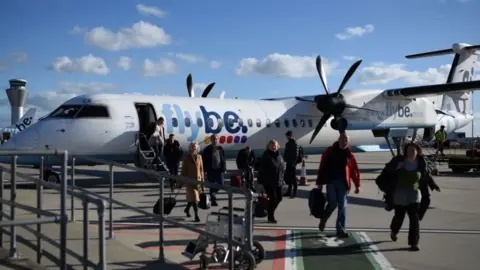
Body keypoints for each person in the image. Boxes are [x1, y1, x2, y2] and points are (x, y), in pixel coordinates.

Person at [385, 142, 440, 251]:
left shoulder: (420, 162)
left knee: (414, 218)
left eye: (413, 150)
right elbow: (388, 171)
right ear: (406, 152)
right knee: (399, 216)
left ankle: (414, 243)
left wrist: (433, 184)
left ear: (417, 152)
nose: (411, 152)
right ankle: (394, 231)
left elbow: (425, 174)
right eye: (409, 150)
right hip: (400, 192)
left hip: (414, 193)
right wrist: (397, 168)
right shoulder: (399, 161)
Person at [317, 133, 360, 238]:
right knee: (332, 203)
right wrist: (320, 183)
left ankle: (340, 229)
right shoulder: (329, 151)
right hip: (331, 182)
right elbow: (322, 166)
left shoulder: (349, 154)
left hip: (343, 183)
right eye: (343, 140)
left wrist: (357, 184)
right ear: (338, 140)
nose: (344, 142)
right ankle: (324, 218)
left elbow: (354, 170)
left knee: (343, 206)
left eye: (346, 141)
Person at [257, 140, 285, 223]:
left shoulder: (279, 155)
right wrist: (260, 183)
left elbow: (282, 168)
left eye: (275, 145)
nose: (274, 147)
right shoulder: (266, 156)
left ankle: (270, 211)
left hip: (278, 180)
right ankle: (270, 216)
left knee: (279, 198)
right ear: (268, 146)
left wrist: (282, 179)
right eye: (272, 145)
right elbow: (261, 171)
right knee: (273, 198)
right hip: (269, 181)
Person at [180, 142, 204, 223]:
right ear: (190, 148)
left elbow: (201, 170)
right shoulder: (186, 158)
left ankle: (187, 209)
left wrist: (202, 181)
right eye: (193, 146)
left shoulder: (199, 157)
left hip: (197, 181)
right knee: (194, 199)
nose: (194, 148)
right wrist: (180, 182)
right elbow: (183, 171)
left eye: (195, 147)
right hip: (189, 181)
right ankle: (196, 215)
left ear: (197, 148)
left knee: (192, 199)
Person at [201, 134, 226, 206]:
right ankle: (213, 200)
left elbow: (223, 159)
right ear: (211, 140)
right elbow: (203, 160)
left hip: (219, 170)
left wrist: (224, 168)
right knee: (211, 185)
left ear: (217, 140)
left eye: (216, 139)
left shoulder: (220, 148)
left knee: (221, 184)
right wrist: (204, 170)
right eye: (213, 139)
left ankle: (213, 194)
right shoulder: (207, 149)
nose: (214, 140)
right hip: (211, 170)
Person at [283, 130, 300, 198]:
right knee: (289, 177)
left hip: (292, 163)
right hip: (289, 162)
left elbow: (296, 154)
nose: (287, 137)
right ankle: (289, 191)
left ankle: (294, 193)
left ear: (290, 136)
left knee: (293, 178)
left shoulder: (294, 143)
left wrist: (294, 162)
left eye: (287, 136)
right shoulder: (289, 143)